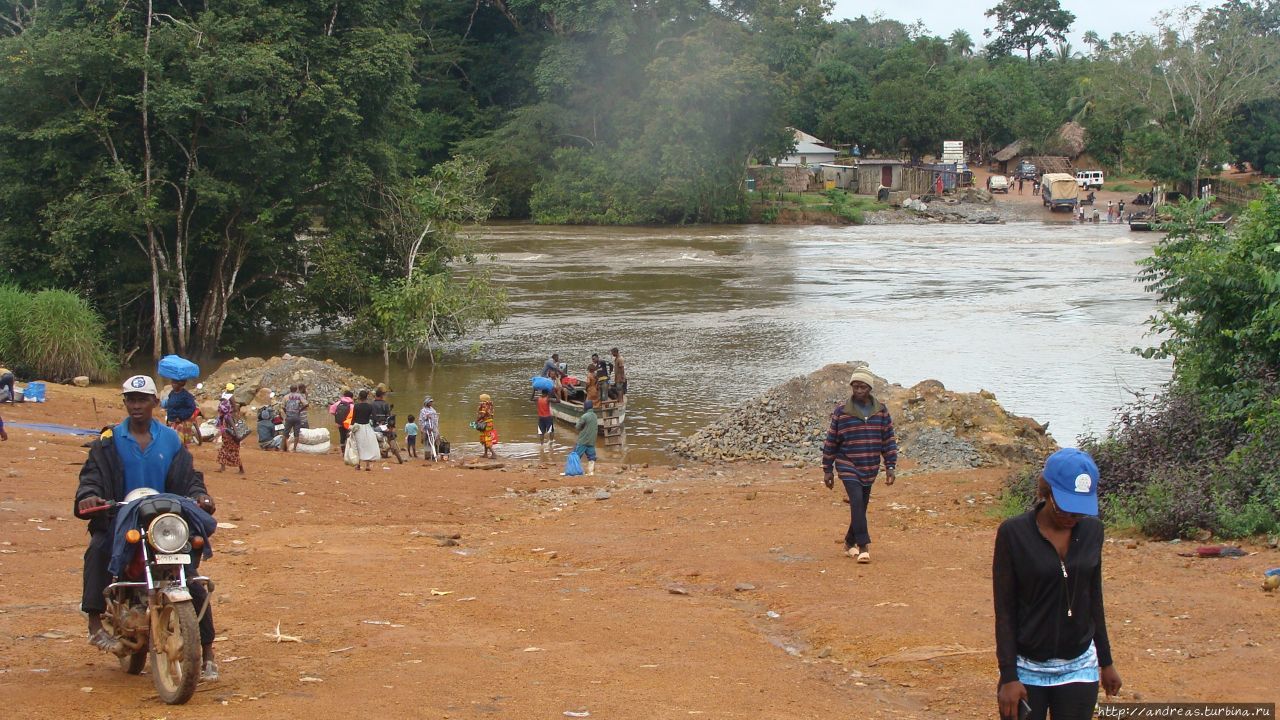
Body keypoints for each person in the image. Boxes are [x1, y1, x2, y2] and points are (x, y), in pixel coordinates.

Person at [73, 375, 220, 681]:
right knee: (98, 550)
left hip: (163, 521)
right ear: (125, 402)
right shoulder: (109, 440)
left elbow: (189, 477)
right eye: (131, 399)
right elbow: (91, 477)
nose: (137, 405)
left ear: (155, 402)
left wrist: (199, 495)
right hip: (118, 519)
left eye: (143, 400)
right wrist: (89, 497)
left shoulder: (170, 440)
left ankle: (207, 653)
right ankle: (94, 623)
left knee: (189, 577)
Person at [994, 448, 1122, 720]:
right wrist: (1008, 676)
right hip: (1027, 668)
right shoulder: (1013, 534)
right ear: (1046, 491)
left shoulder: (1092, 532)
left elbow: (1093, 598)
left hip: (1079, 666)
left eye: (1079, 510)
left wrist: (1106, 662)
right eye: (1065, 506)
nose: (1072, 517)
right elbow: (1004, 610)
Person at [821, 368, 897, 563]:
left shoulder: (881, 411)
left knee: (861, 506)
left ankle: (849, 542)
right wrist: (827, 469)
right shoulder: (842, 412)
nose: (858, 390)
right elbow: (831, 440)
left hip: (870, 465)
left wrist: (890, 466)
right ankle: (864, 546)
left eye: (862, 387)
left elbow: (888, 439)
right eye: (855, 386)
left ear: (870, 388)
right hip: (847, 463)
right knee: (855, 500)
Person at [215, 384, 244, 474]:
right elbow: (235, 407)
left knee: (229, 449)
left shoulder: (225, 417)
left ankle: (240, 468)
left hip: (230, 435)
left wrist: (237, 434)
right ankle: (224, 467)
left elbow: (232, 426)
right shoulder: (227, 416)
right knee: (227, 449)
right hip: (230, 435)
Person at [348, 390, 380, 471]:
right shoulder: (370, 406)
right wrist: (376, 423)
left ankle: (358, 464)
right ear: (367, 397)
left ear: (359, 397)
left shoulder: (356, 406)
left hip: (358, 427)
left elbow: (353, 418)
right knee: (367, 445)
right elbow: (375, 418)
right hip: (367, 427)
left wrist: (351, 427)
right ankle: (367, 465)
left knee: (357, 445)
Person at [163, 379, 200, 445]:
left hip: (181, 421)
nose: (172, 384)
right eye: (172, 382)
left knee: (179, 441)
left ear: (180, 384)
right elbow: (170, 404)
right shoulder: (172, 393)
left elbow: (191, 407)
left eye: (175, 383)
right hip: (172, 420)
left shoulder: (186, 395)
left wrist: (181, 417)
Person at [370, 388, 403, 464]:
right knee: (391, 436)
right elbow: (389, 416)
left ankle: (380, 452)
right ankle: (386, 452)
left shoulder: (371, 404)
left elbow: (370, 416)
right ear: (382, 396)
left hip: (375, 425)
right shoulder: (385, 404)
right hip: (385, 425)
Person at [573, 399, 598, 476]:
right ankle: (591, 472)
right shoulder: (595, 416)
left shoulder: (584, 416)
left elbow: (577, 427)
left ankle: (574, 471)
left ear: (585, 407)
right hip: (591, 440)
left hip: (583, 440)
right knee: (592, 457)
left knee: (576, 456)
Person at [280, 384, 307, 452]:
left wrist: (286, 412)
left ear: (290, 389)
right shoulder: (299, 396)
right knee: (296, 433)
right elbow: (306, 404)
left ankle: (281, 449)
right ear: (296, 389)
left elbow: (282, 406)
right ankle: (294, 449)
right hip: (297, 417)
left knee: (285, 433)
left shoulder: (286, 397)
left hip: (289, 417)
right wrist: (299, 411)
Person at [418, 397, 440, 462]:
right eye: (430, 402)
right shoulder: (423, 410)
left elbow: (435, 419)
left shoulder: (433, 410)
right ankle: (427, 456)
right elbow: (421, 420)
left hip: (433, 428)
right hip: (426, 428)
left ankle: (434, 455)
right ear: (427, 403)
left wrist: (435, 428)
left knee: (435, 441)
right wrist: (426, 417)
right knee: (427, 442)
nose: (431, 403)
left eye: (432, 402)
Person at [476, 393, 497, 459]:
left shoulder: (484, 404)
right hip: (489, 423)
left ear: (483, 399)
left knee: (486, 439)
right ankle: (485, 454)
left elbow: (482, 414)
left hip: (485, 423)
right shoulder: (490, 404)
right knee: (485, 438)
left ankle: (493, 454)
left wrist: (477, 420)